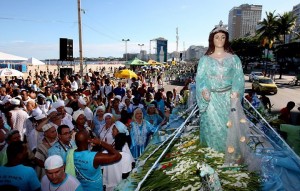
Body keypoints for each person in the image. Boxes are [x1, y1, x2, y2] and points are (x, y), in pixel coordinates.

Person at [195, 21, 250, 165]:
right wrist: (204, 90)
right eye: (217, 37)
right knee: (212, 127)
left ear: (226, 39)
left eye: (222, 37)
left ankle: (229, 154)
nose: (220, 40)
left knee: (228, 127)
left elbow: (238, 77)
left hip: (228, 99)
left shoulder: (234, 59)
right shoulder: (205, 60)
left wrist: (236, 91)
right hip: (211, 100)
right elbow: (201, 78)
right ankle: (212, 155)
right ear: (212, 39)